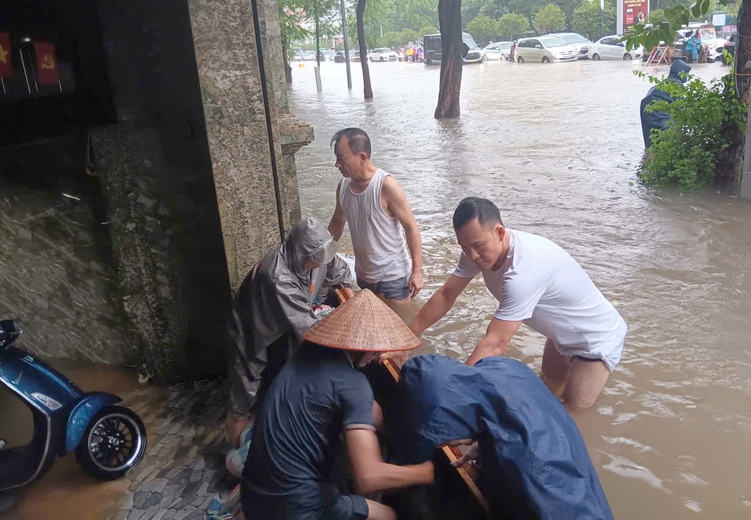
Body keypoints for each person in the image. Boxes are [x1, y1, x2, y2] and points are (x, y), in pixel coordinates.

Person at [404, 198, 627, 409]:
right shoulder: (477, 250)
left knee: (570, 412)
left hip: (594, 338)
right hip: (560, 332)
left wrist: (453, 391)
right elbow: (446, 294)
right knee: (546, 388)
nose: (472, 256)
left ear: (500, 232)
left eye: (478, 246)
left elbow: (495, 344)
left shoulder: (522, 272)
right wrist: (407, 339)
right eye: (464, 247)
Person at [241, 290, 432, 520]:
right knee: (391, 515)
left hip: (253, 496)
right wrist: (428, 472)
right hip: (299, 510)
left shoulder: (307, 351)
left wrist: (391, 429)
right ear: (364, 345)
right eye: (377, 347)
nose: (380, 355)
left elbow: (368, 408)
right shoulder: (353, 384)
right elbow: (368, 478)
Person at [399, 354, 614, 519]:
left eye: (444, 436)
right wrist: (485, 444)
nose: (445, 442)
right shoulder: (502, 366)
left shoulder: (526, 465)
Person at [226, 217, 354, 443]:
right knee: (245, 388)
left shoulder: (319, 254)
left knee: (280, 372)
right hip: (252, 326)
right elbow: (308, 327)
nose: (320, 263)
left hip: (285, 321)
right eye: (316, 259)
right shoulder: (276, 276)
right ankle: (233, 444)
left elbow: (340, 272)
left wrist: (354, 304)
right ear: (300, 253)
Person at [328, 128, 423, 317]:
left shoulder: (386, 185)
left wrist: (417, 271)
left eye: (341, 158)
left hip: (393, 276)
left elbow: (411, 228)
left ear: (362, 157)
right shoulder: (343, 186)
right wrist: (321, 258)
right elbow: (337, 223)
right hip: (364, 275)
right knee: (373, 333)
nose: (337, 164)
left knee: (402, 330)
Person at [640, 59, 692, 148]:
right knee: (670, 134)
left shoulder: (666, 81)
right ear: (680, 72)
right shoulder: (678, 84)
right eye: (686, 73)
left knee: (653, 140)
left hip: (647, 110)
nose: (687, 76)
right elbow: (681, 107)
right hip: (656, 112)